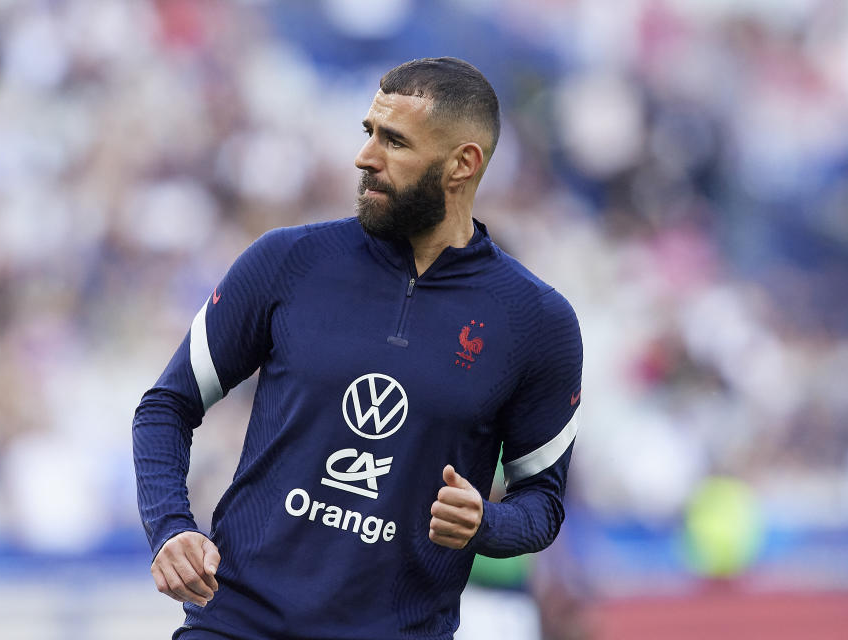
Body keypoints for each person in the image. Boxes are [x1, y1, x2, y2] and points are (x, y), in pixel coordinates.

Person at [132, 57, 583, 640]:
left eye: (394, 141)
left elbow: (542, 503)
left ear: (462, 165)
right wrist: (170, 527)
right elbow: (167, 406)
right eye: (368, 132)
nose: (365, 157)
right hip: (237, 623)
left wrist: (485, 524)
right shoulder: (287, 262)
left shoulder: (536, 321)